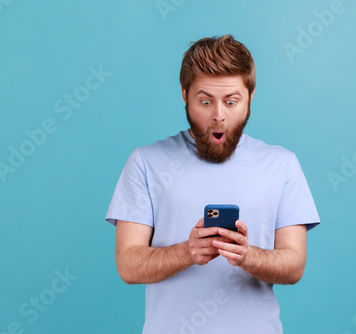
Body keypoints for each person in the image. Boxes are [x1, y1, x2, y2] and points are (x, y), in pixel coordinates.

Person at [105, 34, 320, 333]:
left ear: (251, 96)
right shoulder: (146, 162)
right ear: (184, 94)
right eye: (205, 101)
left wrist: (247, 255)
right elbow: (128, 264)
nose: (219, 116)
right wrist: (187, 252)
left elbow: (294, 265)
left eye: (231, 101)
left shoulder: (281, 165)